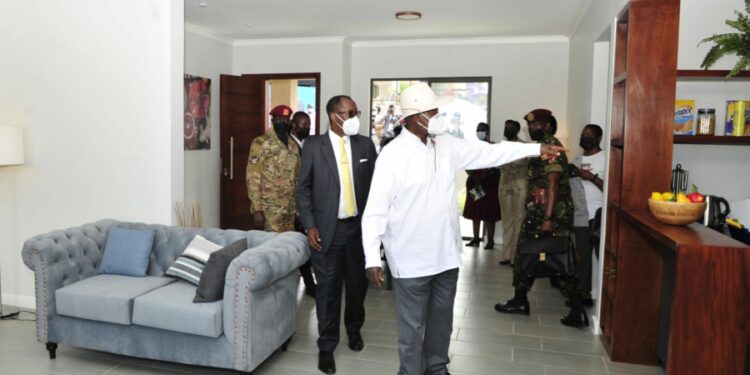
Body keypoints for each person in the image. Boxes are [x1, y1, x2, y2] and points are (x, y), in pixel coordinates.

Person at [361, 84, 566, 375]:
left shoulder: (446, 143)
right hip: (410, 258)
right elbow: (375, 212)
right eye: (432, 111)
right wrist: (371, 258)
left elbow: (490, 153)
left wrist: (536, 149)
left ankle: (437, 368)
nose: (437, 115)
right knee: (411, 327)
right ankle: (409, 371)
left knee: (442, 320)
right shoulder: (392, 156)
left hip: (446, 256)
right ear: (414, 116)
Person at [295, 95, 378, 375]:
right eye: (350, 112)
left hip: (359, 231)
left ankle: (354, 330)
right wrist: (309, 225)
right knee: (328, 292)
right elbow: (303, 189)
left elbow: (376, 188)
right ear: (334, 116)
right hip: (327, 231)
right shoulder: (313, 146)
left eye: (356, 112)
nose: (355, 117)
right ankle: (326, 347)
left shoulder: (365, 144)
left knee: (357, 287)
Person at [494, 108, 588, 328]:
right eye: (531, 125)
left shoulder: (550, 146)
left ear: (548, 125)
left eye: (538, 124)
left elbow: (553, 183)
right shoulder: (538, 147)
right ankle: (522, 300)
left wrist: (547, 219)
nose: (533, 128)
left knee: (556, 258)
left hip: (550, 214)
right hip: (542, 210)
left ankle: (575, 308)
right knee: (532, 254)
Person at [246, 104, 299, 232]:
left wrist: (299, 207)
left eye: (286, 120)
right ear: (272, 121)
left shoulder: (293, 144)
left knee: (288, 245)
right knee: (272, 246)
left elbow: (297, 176)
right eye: (279, 120)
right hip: (270, 208)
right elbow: (252, 177)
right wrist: (257, 209)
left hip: (290, 207)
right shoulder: (260, 143)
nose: (283, 123)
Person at [570, 124, 605, 305]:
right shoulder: (576, 159)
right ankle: (583, 293)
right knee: (581, 255)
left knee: (602, 256)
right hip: (580, 215)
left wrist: (591, 177)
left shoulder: (606, 158)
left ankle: (606, 296)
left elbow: (611, 188)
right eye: (583, 134)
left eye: (589, 135)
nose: (585, 137)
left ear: (599, 138)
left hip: (600, 216)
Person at [289, 110, 316, 298]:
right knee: (295, 244)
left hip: (307, 203)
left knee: (306, 243)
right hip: (289, 205)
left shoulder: (311, 144)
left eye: (308, 125)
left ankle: (309, 282)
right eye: (302, 125)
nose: (306, 128)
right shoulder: (287, 145)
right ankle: (307, 282)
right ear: (293, 125)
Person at [463, 122, 502, 249]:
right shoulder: (471, 146)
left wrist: (482, 176)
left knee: (488, 213)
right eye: (478, 129)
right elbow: (465, 162)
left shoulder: (492, 146)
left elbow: (493, 163)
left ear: (487, 132)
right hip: (475, 183)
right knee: (476, 211)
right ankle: (475, 238)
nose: (480, 132)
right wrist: (474, 177)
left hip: (488, 183)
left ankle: (490, 240)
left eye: (483, 130)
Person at [498, 119, 529, 265]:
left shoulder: (523, 145)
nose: (506, 129)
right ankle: (506, 255)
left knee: (518, 219)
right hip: (504, 185)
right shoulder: (501, 145)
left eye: (509, 127)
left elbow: (520, 162)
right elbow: (497, 162)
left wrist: (505, 160)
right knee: (506, 221)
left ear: (516, 130)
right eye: (505, 127)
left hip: (519, 186)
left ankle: (515, 257)